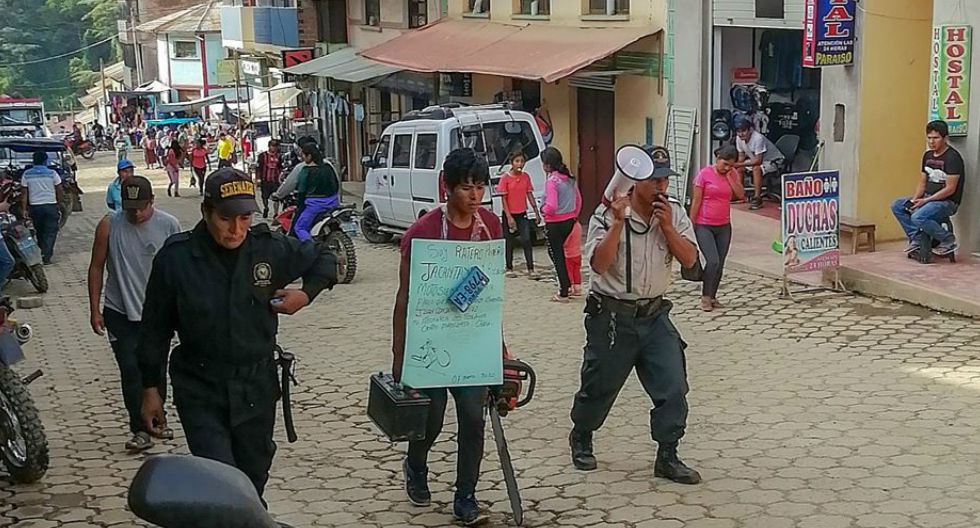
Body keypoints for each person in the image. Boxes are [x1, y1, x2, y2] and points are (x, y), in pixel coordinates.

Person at [137, 168, 337, 499]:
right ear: (206, 211)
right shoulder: (176, 259)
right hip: (200, 387)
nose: (235, 229)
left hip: (255, 385)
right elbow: (154, 330)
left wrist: (306, 294)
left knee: (253, 475)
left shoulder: (268, 248)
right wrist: (150, 390)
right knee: (223, 482)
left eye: (244, 218)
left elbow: (323, 257)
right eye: (226, 218)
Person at [569, 156, 703, 486]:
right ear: (635, 181)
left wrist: (669, 227)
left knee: (673, 386)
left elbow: (692, 263)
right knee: (599, 385)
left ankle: (667, 455)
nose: (661, 186)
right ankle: (582, 435)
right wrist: (617, 223)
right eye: (653, 180)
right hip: (613, 317)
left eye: (664, 180)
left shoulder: (674, 212)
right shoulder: (607, 212)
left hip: (654, 315)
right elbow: (599, 265)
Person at [392, 148, 503, 526]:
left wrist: (499, 348)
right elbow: (405, 296)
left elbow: (491, 297)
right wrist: (400, 355)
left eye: (481, 188)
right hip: (430, 344)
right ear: (447, 187)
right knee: (431, 420)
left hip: (473, 344)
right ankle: (416, 464)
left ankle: (466, 497)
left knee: (473, 418)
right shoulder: (420, 234)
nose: (475, 197)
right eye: (466, 188)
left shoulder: (491, 227)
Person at [88, 176, 181, 453]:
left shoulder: (169, 225)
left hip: (157, 314)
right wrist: (95, 309)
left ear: (152, 201)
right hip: (119, 311)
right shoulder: (109, 225)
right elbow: (96, 267)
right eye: (130, 209)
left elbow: (180, 272)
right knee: (130, 370)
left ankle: (157, 419)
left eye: (141, 207)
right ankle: (139, 429)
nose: (137, 214)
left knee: (156, 369)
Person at [891, 119, 965, 255]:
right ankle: (917, 238)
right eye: (929, 138)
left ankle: (948, 240)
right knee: (897, 205)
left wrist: (925, 201)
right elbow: (922, 182)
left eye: (936, 138)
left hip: (946, 202)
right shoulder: (928, 155)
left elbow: (950, 189)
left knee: (918, 217)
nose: (932, 141)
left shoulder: (952, 158)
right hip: (927, 198)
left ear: (945, 138)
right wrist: (914, 200)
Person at [689, 145, 745, 312]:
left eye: (730, 165)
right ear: (717, 159)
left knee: (720, 263)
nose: (726, 167)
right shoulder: (704, 175)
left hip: (724, 225)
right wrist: (691, 224)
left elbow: (740, 194)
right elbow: (696, 201)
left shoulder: (732, 174)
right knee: (712, 261)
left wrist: (730, 177)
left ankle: (713, 296)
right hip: (704, 224)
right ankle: (705, 296)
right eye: (724, 164)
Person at [540, 147, 582, 302]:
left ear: (547, 165)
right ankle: (570, 284)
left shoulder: (552, 181)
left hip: (555, 223)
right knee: (565, 255)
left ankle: (564, 289)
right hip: (570, 221)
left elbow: (551, 206)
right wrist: (574, 215)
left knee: (557, 256)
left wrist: (543, 210)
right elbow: (578, 200)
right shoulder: (569, 178)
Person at [495, 151, 542, 278]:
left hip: (522, 214)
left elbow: (529, 194)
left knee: (526, 239)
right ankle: (509, 268)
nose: (519, 164)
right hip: (509, 214)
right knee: (509, 241)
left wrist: (536, 212)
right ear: (512, 163)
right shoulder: (505, 178)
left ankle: (531, 268)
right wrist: (509, 217)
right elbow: (503, 199)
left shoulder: (526, 177)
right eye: (517, 161)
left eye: (522, 161)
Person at [21, 151, 63, 265]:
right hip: (50, 205)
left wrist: (24, 209)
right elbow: (59, 189)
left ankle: (42, 251)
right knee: (50, 231)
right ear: (46, 161)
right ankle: (46, 255)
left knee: (39, 231)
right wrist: (58, 203)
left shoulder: (27, 174)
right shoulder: (52, 173)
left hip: (35, 207)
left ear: (33, 161)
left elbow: (24, 194)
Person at [734, 118, 783, 210]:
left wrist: (738, 164)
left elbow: (758, 161)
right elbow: (741, 157)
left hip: (773, 161)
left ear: (750, 130)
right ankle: (740, 195)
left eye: (744, 131)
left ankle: (757, 198)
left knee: (756, 168)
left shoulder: (758, 138)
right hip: (756, 159)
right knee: (739, 169)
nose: (741, 134)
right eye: (738, 132)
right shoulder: (738, 139)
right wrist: (738, 165)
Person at [293, 144, 340, 241]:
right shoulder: (328, 167)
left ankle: (312, 249)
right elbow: (336, 184)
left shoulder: (305, 171)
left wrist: (299, 205)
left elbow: (301, 191)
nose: (302, 158)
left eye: (303, 156)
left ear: (309, 156)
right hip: (334, 203)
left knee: (299, 228)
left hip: (315, 206)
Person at [256, 140, 283, 219]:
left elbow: (280, 167)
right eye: (272, 146)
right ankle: (266, 207)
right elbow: (258, 167)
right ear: (269, 146)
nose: (274, 148)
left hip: (275, 180)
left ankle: (276, 213)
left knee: (276, 197)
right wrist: (258, 178)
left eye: (275, 146)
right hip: (265, 179)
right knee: (265, 197)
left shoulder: (279, 156)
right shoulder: (262, 156)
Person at [565, 220, 583, 297]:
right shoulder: (578, 226)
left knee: (569, 272)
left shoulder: (570, 228)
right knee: (577, 271)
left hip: (569, 254)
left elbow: (566, 242)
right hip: (578, 253)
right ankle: (578, 288)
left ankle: (571, 287)